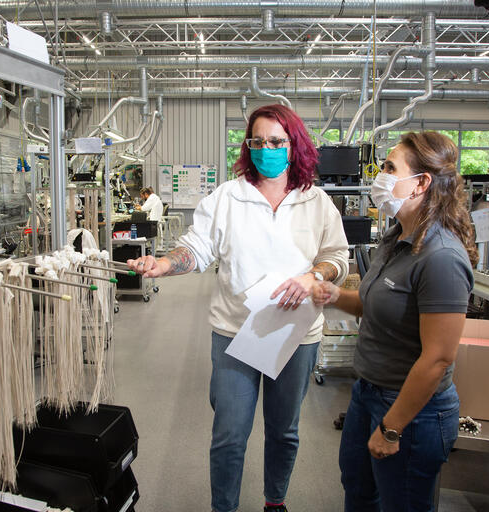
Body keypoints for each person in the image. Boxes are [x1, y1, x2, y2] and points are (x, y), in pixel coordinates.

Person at [126, 104, 349, 512]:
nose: (268, 149)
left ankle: (275, 501)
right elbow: (195, 249)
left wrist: (313, 276)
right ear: (248, 147)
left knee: (284, 431)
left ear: (294, 145)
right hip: (234, 333)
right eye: (258, 142)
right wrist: (163, 263)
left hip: (296, 335)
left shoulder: (316, 202)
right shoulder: (229, 196)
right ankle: (223, 508)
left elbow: (337, 257)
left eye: (277, 142)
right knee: (229, 434)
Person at [312, 131, 478, 512]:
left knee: (401, 503)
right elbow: (376, 303)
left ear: (421, 183)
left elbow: (437, 358)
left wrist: (392, 427)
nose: (379, 176)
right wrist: (336, 296)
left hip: (412, 412)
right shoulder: (397, 236)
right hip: (367, 392)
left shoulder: (441, 257)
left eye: (389, 168)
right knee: (358, 488)